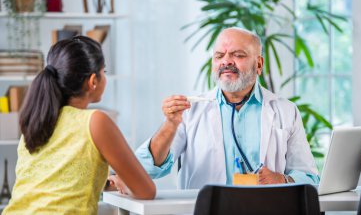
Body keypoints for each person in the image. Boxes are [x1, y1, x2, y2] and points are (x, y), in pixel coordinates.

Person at [117, 27, 319, 190]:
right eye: (219, 55)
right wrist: (170, 124)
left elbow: (310, 177)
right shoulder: (190, 110)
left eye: (238, 55)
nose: (226, 61)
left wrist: (281, 180)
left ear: (259, 64)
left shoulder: (285, 110)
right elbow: (147, 168)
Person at [3, 36, 156, 215]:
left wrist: (105, 181)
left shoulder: (37, 122)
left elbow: (52, 179)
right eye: (103, 71)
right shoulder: (96, 121)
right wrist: (125, 182)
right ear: (93, 81)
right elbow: (146, 191)